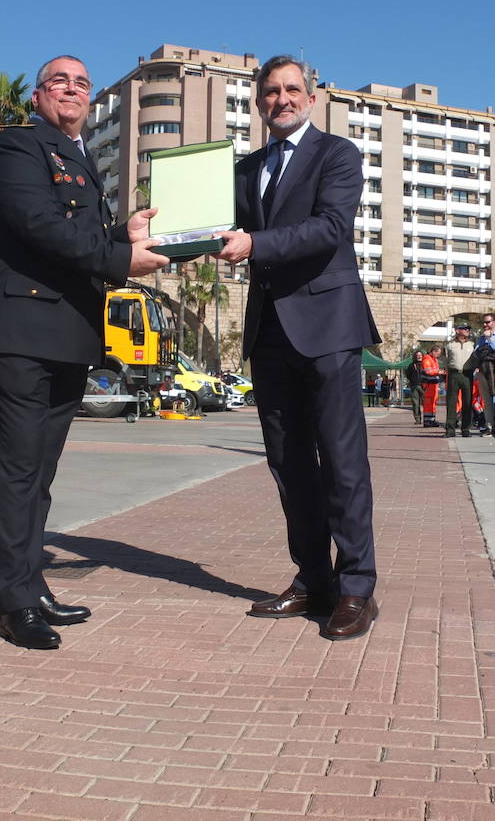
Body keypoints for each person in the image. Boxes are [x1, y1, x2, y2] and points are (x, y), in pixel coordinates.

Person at [0, 53, 169, 651]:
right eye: (61, 81)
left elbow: (77, 235)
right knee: (21, 468)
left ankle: (30, 585)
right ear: (38, 96)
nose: (73, 89)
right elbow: (38, 225)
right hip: (23, 332)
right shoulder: (17, 147)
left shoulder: (81, 157)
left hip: (67, 335)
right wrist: (118, 260)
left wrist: (121, 236)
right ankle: (13, 605)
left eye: (82, 83)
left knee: (42, 473)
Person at [214, 54, 381, 643]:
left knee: (341, 461)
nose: (281, 99)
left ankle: (357, 587)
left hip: (329, 327)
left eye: (292, 90)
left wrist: (254, 242)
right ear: (258, 104)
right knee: (288, 466)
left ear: (310, 98)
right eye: (270, 92)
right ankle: (314, 580)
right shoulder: (245, 168)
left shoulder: (338, 155)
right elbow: (214, 226)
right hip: (269, 331)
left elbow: (331, 228)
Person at [443, 322, 475, 437]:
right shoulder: (449, 345)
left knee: (467, 402)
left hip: (467, 374)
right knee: (451, 402)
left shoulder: (472, 344)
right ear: (457, 331)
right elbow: (445, 360)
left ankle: (465, 429)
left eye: (468, 328)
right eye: (465, 328)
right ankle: (450, 429)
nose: (467, 330)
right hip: (454, 374)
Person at [418, 348, 443, 427]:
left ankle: (431, 419)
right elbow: (428, 371)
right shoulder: (427, 359)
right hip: (429, 384)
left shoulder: (433, 359)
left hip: (433, 384)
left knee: (433, 402)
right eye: (437, 353)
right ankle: (427, 421)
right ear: (433, 351)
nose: (438, 355)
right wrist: (438, 371)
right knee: (429, 403)